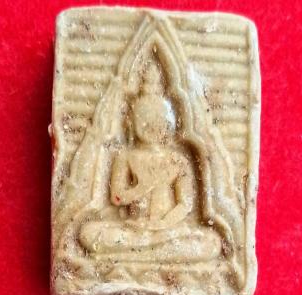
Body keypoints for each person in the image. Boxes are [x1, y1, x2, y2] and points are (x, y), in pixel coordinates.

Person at [79, 62, 221, 263]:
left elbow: (185, 204)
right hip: (133, 228)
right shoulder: (126, 157)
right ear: (131, 123)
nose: (152, 126)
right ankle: (152, 255)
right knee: (88, 233)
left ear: (171, 125)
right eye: (145, 119)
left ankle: (133, 256)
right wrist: (143, 187)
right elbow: (117, 198)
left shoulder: (177, 160)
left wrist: (162, 224)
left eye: (160, 120)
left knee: (211, 242)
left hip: (168, 230)